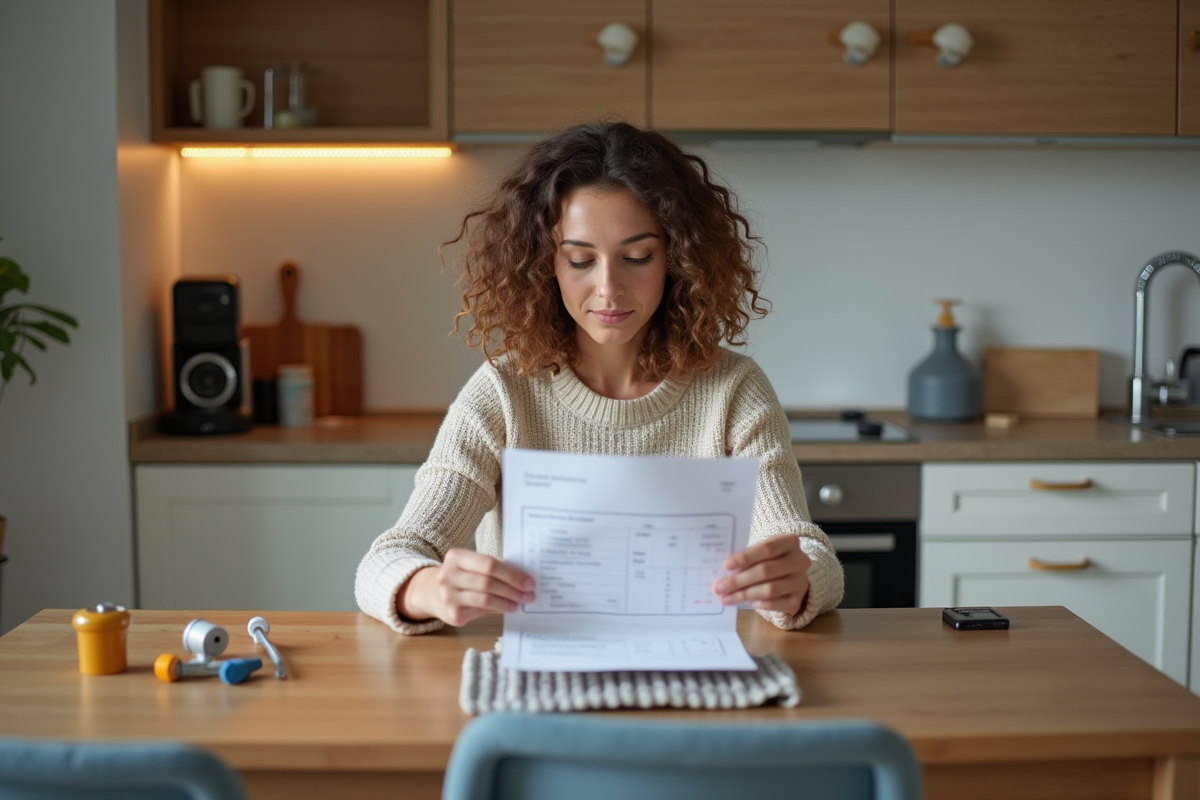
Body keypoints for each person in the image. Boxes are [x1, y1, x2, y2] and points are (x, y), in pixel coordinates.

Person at [356, 121, 843, 635]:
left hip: (688, 663)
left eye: (637, 257)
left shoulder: (734, 390)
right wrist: (428, 588)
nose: (608, 288)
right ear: (545, 265)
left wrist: (799, 579)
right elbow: (390, 558)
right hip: (538, 668)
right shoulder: (504, 390)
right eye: (580, 260)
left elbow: (808, 550)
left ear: (678, 258)